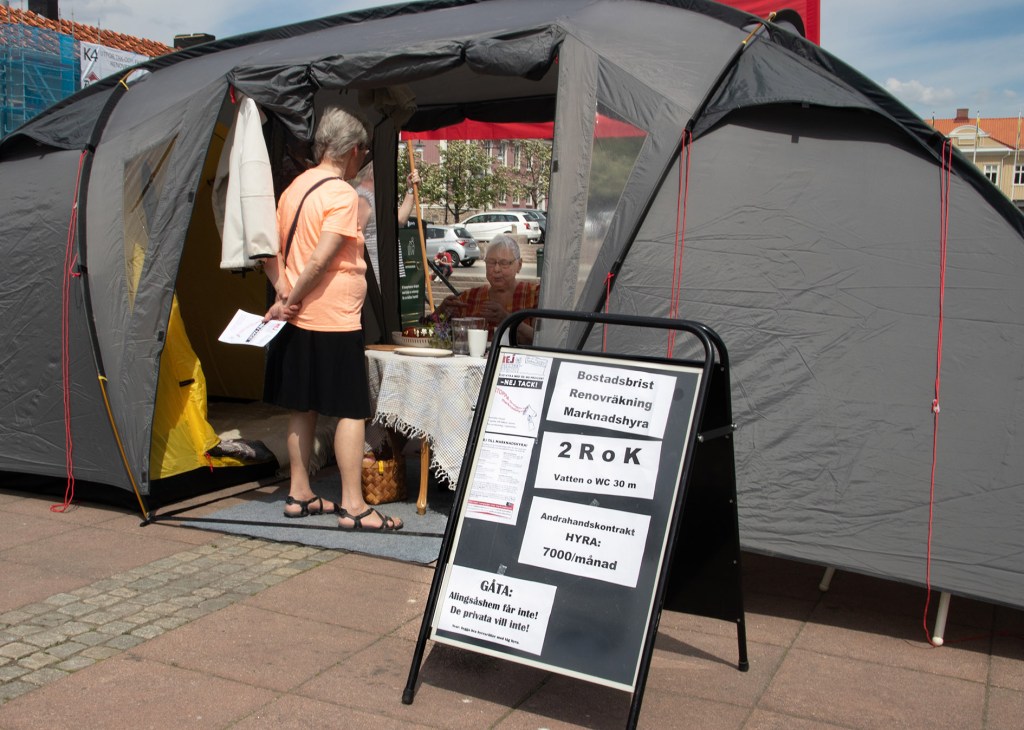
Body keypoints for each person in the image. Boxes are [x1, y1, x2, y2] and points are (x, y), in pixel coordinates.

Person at [262, 106, 402, 531]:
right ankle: (354, 505)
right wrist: (292, 297)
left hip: (297, 318)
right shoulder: (342, 194)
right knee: (351, 411)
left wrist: (283, 293)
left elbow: (268, 249)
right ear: (354, 150)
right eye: (364, 152)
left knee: (302, 407)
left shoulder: (294, 188)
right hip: (333, 318)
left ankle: (299, 493)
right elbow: (322, 258)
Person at [435, 234, 539, 344]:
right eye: (491, 262)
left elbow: (543, 339)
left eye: (504, 263)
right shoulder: (469, 298)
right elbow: (430, 331)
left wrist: (507, 319)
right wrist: (441, 310)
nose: (496, 269)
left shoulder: (534, 295)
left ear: (519, 265)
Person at [356, 169, 420, 284]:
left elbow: (400, 220)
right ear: (371, 173)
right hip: (375, 274)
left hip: (389, 270)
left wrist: (411, 189)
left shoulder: (381, 196)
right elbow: (357, 238)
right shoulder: (362, 197)